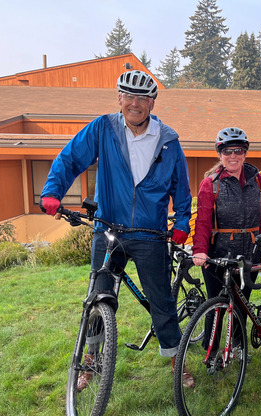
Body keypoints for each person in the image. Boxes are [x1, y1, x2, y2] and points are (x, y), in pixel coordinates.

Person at [40, 70, 194, 388]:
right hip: (108, 229)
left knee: (161, 300)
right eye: (129, 96)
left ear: (152, 102)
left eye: (142, 98)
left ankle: (178, 361)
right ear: (119, 98)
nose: (135, 104)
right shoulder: (103, 129)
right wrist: (53, 191)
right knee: (98, 296)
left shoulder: (168, 141)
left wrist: (181, 222)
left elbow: (182, 188)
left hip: (150, 234)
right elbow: (70, 158)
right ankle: (92, 360)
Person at [192, 127, 261, 348]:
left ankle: (238, 345)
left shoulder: (257, 180)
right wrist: (199, 250)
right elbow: (203, 220)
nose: (233, 156)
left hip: (250, 252)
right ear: (220, 154)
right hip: (218, 254)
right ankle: (211, 350)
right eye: (227, 151)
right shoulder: (211, 184)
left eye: (238, 150)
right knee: (215, 304)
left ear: (245, 153)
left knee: (242, 302)